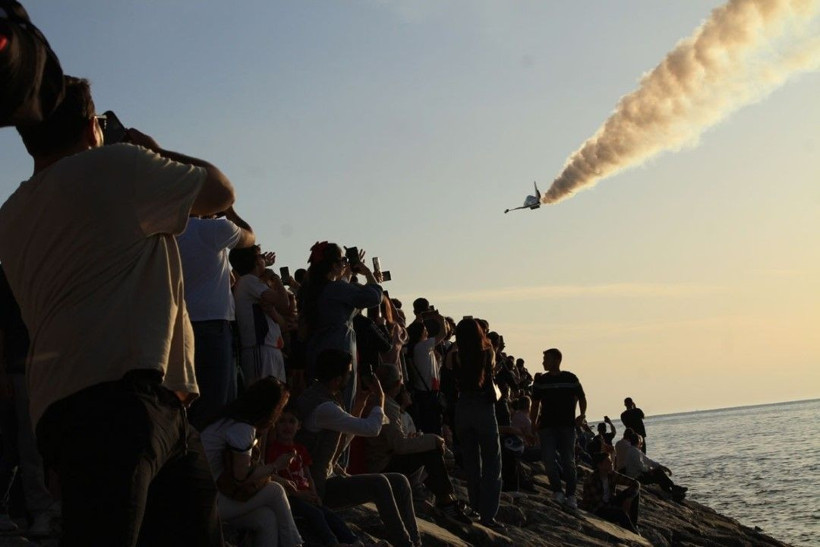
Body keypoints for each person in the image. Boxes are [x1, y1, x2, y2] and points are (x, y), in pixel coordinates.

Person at [0, 76, 232, 545]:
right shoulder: (116, 167)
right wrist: (156, 151)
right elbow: (220, 192)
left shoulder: (12, 214)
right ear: (92, 127)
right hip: (126, 403)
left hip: (79, 410)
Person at [295, 349, 421, 547]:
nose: (352, 377)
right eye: (349, 373)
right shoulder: (324, 407)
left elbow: (343, 439)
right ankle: (404, 544)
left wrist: (361, 404)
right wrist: (380, 397)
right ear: (337, 379)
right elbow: (373, 429)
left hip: (327, 478)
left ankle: (414, 542)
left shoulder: (322, 397)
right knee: (380, 483)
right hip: (318, 487)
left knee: (399, 481)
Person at [200, 377, 303, 547]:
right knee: (275, 491)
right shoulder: (242, 428)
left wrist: (278, 477)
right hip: (205, 501)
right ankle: (295, 544)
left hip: (209, 495)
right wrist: (276, 466)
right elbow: (242, 476)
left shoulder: (229, 419)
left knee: (266, 519)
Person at [177, 210, 255, 429]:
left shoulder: (170, 231)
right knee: (216, 402)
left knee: (185, 399)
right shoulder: (214, 230)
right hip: (213, 323)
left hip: (180, 323)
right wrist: (230, 212)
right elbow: (249, 237)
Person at [365, 364, 470, 524]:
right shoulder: (387, 406)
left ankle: (447, 499)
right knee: (430, 451)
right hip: (381, 466)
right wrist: (433, 439)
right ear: (396, 384)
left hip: (380, 460)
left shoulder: (376, 401)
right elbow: (399, 445)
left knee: (429, 451)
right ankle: (446, 501)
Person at [299, 242, 382, 415]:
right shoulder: (335, 289)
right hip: (340, 352)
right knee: (342, 409)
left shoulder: (310, 291)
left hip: (316, 352)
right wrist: (368, 273)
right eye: (343, 261)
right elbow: (373, 297)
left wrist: (347, 273)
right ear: (335, 265)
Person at [267, 405, 359, 547]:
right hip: (290, 497)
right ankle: (332, 543)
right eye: (282, 421)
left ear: (299, 426)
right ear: (275, 425)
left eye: (292, 421)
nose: (287, 426)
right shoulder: (273, 450)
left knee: (329, 514)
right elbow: (274, 478)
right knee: (315, 514)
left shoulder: (300, 449)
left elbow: (308, 474)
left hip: (306, 494)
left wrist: (314, 493)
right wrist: (298, 494)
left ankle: (353, 541)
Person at [451, 318, 503, 530]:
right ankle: (488, 515)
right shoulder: (487, 353)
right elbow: (491, 370)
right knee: (492, 463)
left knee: (472, 462)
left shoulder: (455, 357)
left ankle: (475, 506)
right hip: (483, 407)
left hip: (462, 407)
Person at [530, 348, 587, 509]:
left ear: (556, 360)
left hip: (567, 426)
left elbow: (582, 397)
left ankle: (571, 495)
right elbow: (535, 404)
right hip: (547, 426)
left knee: (568, 461)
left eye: (546, 359)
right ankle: (557, 491)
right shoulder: (541, 381)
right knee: (548, 459)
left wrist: (582, 415)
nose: (543, 362)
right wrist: (532, 424)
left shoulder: (570, 378)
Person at [230, 245, 290, 386]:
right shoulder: (248, 281)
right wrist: (275, 277)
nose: (264, 259)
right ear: (256, 261)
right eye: (261, 256)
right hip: (259, 348)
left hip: (270, 348)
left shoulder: (253, 282)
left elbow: (283, 316)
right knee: (262, 398)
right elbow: (283, 302)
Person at [616, 429, 686, 500]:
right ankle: (672, 490)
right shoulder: (634, 452)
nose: (641, 443)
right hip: (637, 477)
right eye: (640, 441)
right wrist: (650, 470)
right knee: (658, 474)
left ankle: (671, 491)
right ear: (638, 441)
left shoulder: (634, 450)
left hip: (637, 474)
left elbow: (648, 461)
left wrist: (660, 466)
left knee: (658, 473)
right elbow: (641, 467)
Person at [581, 452, 641, 534]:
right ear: (600, 465)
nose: (611, 463)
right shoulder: (592, 480)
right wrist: (619, 508)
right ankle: (634, 533)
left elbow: (636, 483)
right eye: (608, 462)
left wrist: (629, 499)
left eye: (611, 461)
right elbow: (599, 504)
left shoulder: (611, 474)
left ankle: (633, 525)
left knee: (634, 493)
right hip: (597, 509)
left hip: (609, 503)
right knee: (621, 514)